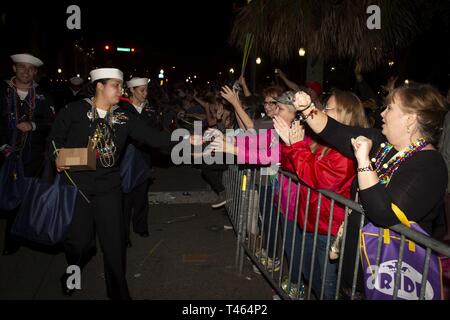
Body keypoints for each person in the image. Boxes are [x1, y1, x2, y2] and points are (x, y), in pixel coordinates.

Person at [292, 83, 448, 297]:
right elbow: (334, 130)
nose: (382, 113)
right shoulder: (381, 143)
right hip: (356, 264)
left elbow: (382, 213)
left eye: (390, 108)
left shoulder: (430, 165)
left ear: (410, 119)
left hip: (391, 275)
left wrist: (364, 161)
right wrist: (307, 107)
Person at [48, 68, 172, 299]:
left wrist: (189, 139)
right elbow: (55, 140)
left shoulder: (123, 118)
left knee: (114, 247)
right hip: (79, 189)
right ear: (99, 86)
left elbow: (154, 138)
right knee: (80, 245)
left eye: (121, 85)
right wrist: (59, 157)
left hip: (109, 189)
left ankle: (119, 294)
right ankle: (71, 275)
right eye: (116, 85)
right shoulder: (75, 110)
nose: (121, 90)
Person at [273, 90, 368, 299]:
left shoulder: (350, 148)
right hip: (310, 221)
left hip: (329, 227)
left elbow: (321, 178)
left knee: (327, 286)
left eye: (328, 109)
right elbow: (293, 167)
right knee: (310, 275)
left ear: (345, 113)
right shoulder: (321, 141)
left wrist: (296, 145)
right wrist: (290, 145)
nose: (322, 112)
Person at [0, 53, 54, 255]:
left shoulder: (43, 96)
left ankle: (12, 242)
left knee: (23, 199)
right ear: (14, 69)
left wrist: (33, 125)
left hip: (31, 157)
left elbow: (51, 122)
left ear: (35, 72)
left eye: (30, 69)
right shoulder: (3, 92)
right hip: (3, 155)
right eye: (22, 67)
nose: (26, 71)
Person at [119, 77, 154, 247]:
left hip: (144, 158)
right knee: (125, 200)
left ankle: (141, 227)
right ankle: (123, 236)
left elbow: (156, 130)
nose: (145, 93)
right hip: (126, 159)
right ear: (132, 90)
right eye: (142, 90)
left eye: (146, 89)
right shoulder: (121, 108)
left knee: (141, 196)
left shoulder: (149, 109)